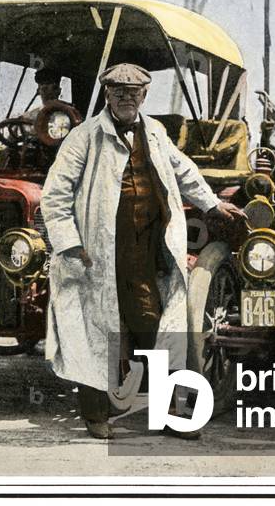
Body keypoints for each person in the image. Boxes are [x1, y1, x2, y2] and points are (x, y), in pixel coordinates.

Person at [40, 62, 243, 441]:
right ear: (107, 94)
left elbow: (183, 171)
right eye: (118, 91)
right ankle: (96, 416)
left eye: (133, 93)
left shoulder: (155, 132)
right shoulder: (83, 138)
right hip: (95, 255)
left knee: (154, 329)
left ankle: (168, 414)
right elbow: (55, 196)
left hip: (143, 252)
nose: (126, 98)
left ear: (144, 95)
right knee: (94, 331)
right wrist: (70, 244)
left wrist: (213, 204)